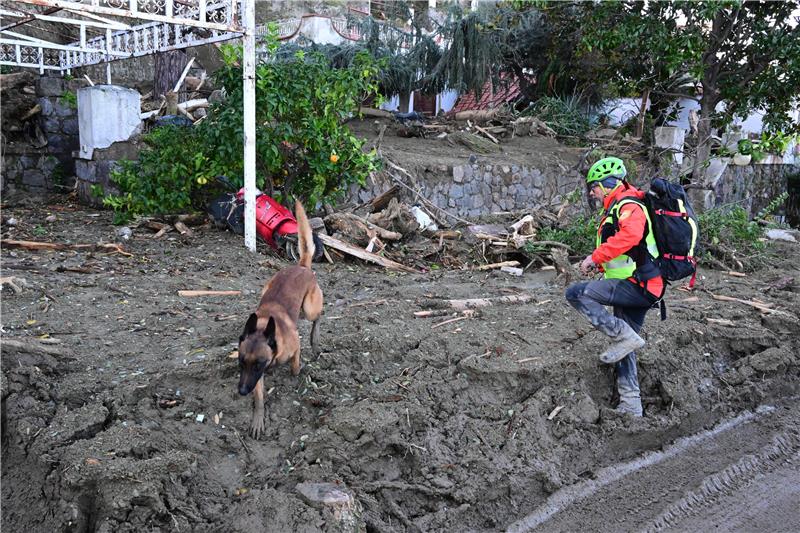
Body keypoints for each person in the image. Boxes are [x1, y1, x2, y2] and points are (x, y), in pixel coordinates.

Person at [565, 157, 663, 417]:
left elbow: (631, 236)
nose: (591, 192)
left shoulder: (629, 205)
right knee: (626, 345)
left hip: (638, 284)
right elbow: (627, 249)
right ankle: (631, 405)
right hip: (637, 282)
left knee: (576, 293)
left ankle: (623, 336)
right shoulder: (619, 206)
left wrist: (594, 257)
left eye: (594, 186)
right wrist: (602, 264)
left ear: (608, 185)